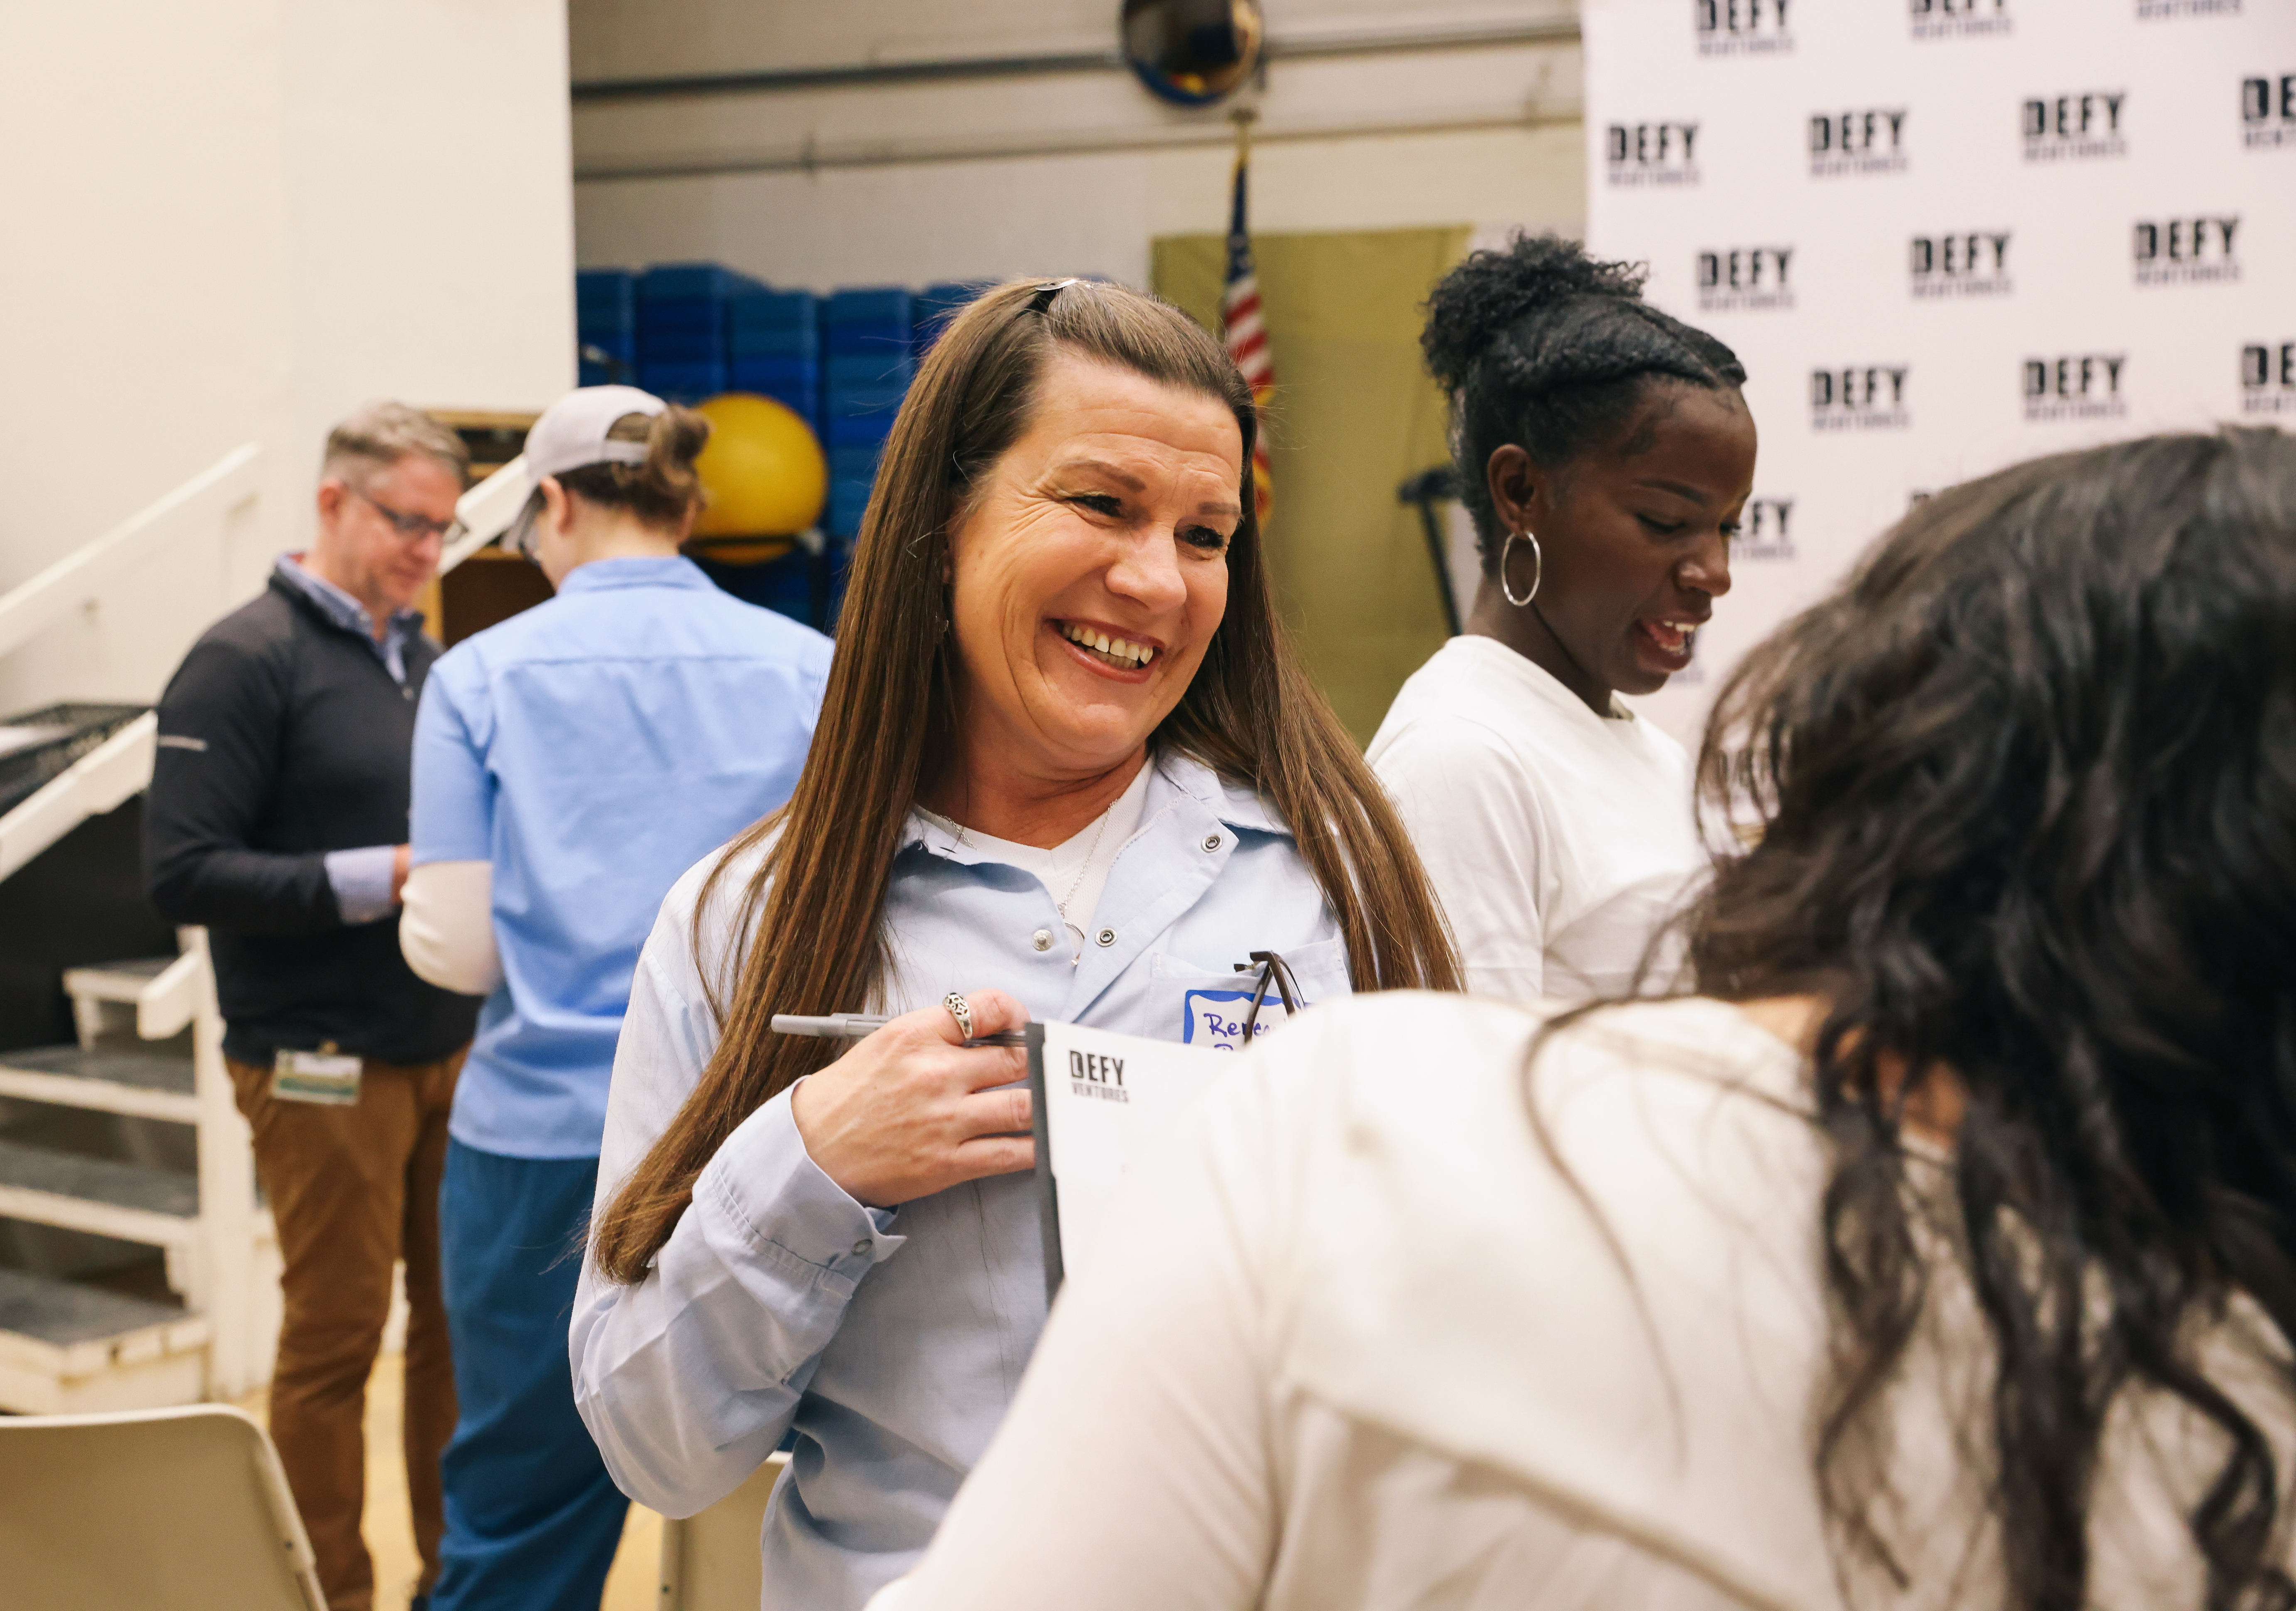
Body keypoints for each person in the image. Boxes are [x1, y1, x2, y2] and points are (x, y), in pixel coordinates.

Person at [879, 427, 2296, 1610]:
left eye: (1206, 533)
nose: (1707, 571)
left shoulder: (1351, 1129)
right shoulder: (2222, 1409)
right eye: (1670, 516)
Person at [569, 278, 1459, 1608]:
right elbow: (658, 1450)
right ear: (940, 522)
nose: (1155, 579)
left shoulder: (1333, 886)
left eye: (1206, 534)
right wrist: (811, 1169)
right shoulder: (747, 923)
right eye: (1102, 505)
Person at [398, 386, 832, 1610]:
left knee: (521, 1510)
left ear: (551, 504)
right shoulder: (812, 669)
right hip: (749, 1136)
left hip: (542, 1144)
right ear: (690, 505)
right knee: (788, 1488)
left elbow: (456, 949)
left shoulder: (478, 677)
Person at [145, 402, 481, 1611]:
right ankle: (328, 1593)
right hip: (318, 1061)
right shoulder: (244, 660)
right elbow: (180, 871)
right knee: (337, 1342)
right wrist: (380, 877)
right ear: (332, 503)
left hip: (448, 1046)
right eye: (406, 522)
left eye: (443, 529)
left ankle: (457, 1581)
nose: (426, 552)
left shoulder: (426, 663)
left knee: (457, 1333)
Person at [1368, 235, 1754, 1001]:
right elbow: (1468, 1096)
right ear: (1519, 491)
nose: (1715, 573)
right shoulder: (1461, 757)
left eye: (1728, 527)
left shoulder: (1644, 749)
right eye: (1665, 521)